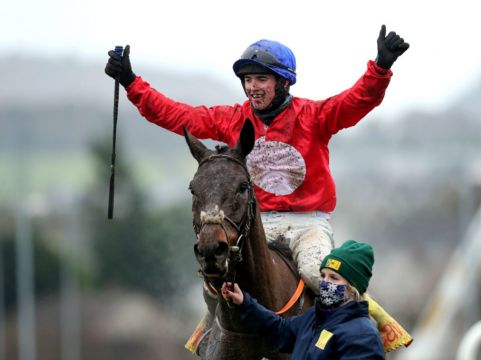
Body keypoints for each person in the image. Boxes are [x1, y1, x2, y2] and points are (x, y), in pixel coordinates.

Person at [105, 24, 411, 354]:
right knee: (215, 278)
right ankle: (213, 333)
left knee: (316, 274)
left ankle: (370, 323)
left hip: (308, 224)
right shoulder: (232, 119)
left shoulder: (313, 116)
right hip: (257, 222)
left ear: (283, 81)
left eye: (261, 79)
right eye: (248, 80)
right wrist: (131, 83)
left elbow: (356, 102)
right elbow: (175, 114)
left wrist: (380, 68)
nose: (253, 87)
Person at [221, 240, 385, 359]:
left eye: (334, 278)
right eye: (323, 275)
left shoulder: (363, 336)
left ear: (353, 288)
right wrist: (244, 302)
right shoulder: (314, 317)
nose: (325, 282)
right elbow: (280, 330)